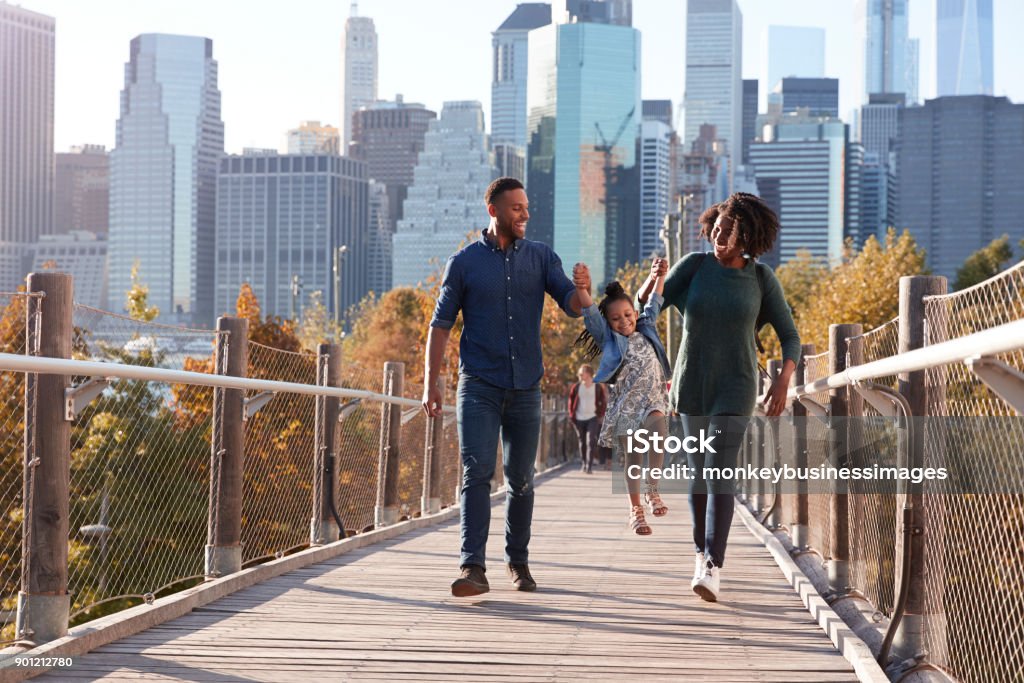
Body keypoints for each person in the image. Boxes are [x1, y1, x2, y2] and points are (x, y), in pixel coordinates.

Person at [422, 176, 589, 598]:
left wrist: (583, 292)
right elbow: (440, 326)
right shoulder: (463, 263)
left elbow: (569, 303)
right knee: (476, 472)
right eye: (517, 208)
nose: (525, 214)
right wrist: (431, 385)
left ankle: (518, 560)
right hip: (478, 384)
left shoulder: (541, 257)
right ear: (493, 210)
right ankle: (472, 567)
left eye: (527, 208)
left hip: (526, 387)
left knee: (521, 479)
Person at [652, 192, 801, 602]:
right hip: (692, 386)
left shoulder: (760, 279)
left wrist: (784, 380)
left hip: (735, 387)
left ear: (747, 237)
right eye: (716, 230)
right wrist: (653, 280)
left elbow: (790, 337)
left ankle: (713, 565)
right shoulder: (695, 267)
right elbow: (649, 309)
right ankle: (701, 553)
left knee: (719, 472)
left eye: (729, 235)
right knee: (699, 475)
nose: (719, 239)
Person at [572, 258, 672, 536]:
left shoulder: (646, 325)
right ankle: (636, 511)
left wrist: (659, 275)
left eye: (628, 315)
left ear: (634, 312)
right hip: (626, 404)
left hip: (652, 398)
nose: (624, 321)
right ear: (609, 323)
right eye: (616, 319)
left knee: (659, 428)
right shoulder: (609, 338)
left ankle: (653, 490)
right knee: (633, 457)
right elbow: (590, 311)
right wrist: (581, 287)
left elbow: (655, 299)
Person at [567, 364, 607, 474]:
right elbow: (571, 402)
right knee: (582, 442)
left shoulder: (597, 387)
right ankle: (584, 463)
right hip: (579, 418)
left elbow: (603, 401)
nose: (580, 374)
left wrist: (600, 414)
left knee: (591, 441)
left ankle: (589, 467)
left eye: (582, 372)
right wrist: (571, 415)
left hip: (592, 417)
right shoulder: (576, 387)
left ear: (589, 373)